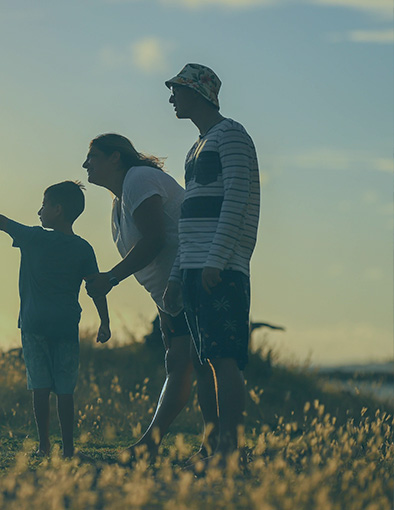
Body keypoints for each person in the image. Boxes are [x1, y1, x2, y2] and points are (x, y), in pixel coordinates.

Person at [0, 181, 111, 458]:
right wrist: (105, 322)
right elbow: (95, 287)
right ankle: (68, 449)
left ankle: (44, 446)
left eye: (44, 205)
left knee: (40, 386)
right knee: (65, 389)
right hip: (67, 325)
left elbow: (0, 221)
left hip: (34, 325)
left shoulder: (34, 237)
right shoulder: (83, 248)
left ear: (58, 209)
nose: (39, 211)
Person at [83, 134, 218, 459]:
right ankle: (160, 444)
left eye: (94, 156)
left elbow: (156, 239)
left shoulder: (139, 180)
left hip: (193, 278)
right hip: (172, 293)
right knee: (180, 363)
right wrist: (162, 306)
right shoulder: (121, 199)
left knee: (202, 364)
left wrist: (112, 277)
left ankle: (213, 446)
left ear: (115, 158)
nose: (87, 164)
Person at [162, 63, 260, 461]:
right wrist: (175, 275)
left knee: (223, 358)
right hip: (193, 269)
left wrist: (216, 260)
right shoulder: (196, 147)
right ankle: (210, 446)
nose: (171, 98)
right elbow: (190, 218)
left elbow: (238, 201)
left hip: (220, 269)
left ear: (199, 94)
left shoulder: (232, 136)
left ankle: (229, 451)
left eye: (177, 90)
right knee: (203, 363)